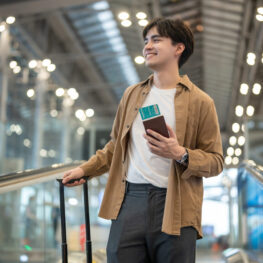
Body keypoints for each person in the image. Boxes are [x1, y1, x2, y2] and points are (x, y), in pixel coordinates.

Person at [62, 17, 223, 263]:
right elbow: (116, 146)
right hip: (129, 202)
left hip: (176, 205)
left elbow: (216, 161)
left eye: (156, 40)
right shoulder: (133, 95)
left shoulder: (201, 102)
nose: (147, 46)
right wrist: (85, 169)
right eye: (146, 41)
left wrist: (180, 153)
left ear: (179, 48)